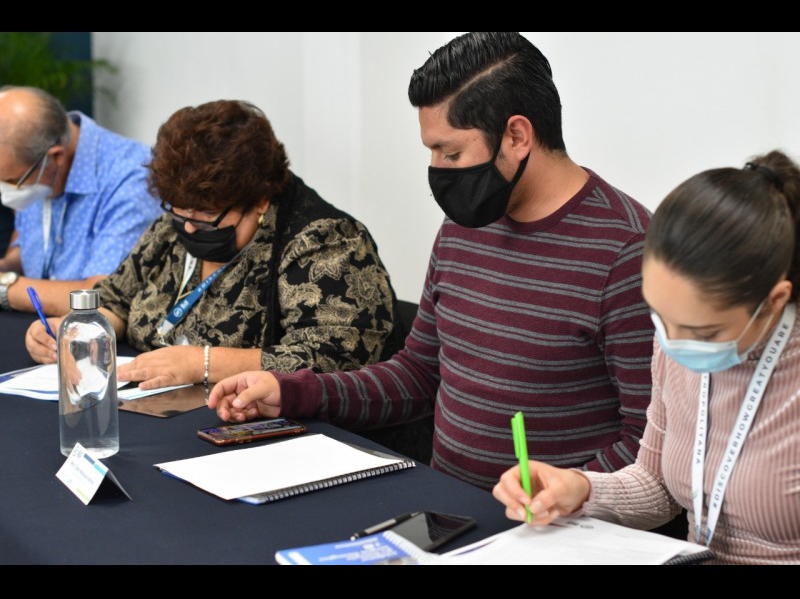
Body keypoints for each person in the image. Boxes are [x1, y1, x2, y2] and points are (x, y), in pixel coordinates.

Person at [208, 32, 655, 490]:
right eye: (432, 151)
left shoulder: (627, 250)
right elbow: (419, 375)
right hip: (449, 512)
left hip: (550, 525)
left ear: (517, 136)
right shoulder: (466, 223)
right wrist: (294, 392)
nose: (437, 169)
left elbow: (648, 444)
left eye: (451, 152)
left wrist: (559, 496)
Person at [492, 149, 800, 565]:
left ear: (774, 301)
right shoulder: (673, 345)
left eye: (701, 332)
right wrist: (581, 489)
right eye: (659, 315)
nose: (673, 343)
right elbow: (657, 484)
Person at [26, 99, 403, 388]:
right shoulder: (177, 222)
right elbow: (117, 298)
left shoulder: (326, 242)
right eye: (180, 212)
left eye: (206, 217)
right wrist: (83, 333)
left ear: (260, 199)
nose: (189, 229)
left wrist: (203, 363)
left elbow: (334, 361)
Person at [0, 85, 161, 316]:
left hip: (91, 328)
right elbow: (27, 243)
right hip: (34, 319)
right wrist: (6, 267)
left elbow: (101, 296)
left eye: (11, 181)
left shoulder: (132, 178)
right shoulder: (34, 162)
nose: (6, 190)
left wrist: (5, 287)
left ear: (55, 157)